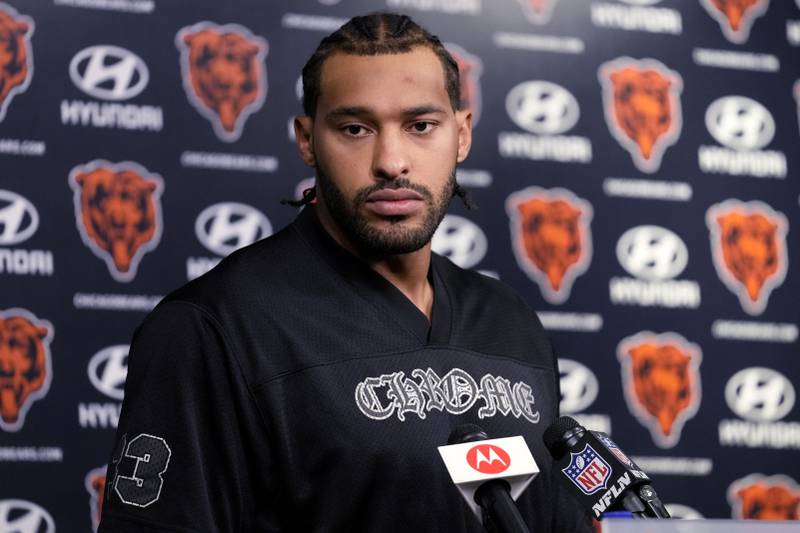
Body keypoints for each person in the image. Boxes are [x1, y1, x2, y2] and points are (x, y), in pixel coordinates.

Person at [99, 12, 592, 533]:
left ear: (462, 135)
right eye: (355, 128)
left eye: (421, 126)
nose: (392, 161)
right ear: (308, 140)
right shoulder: (213, 328)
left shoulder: (510, 323)